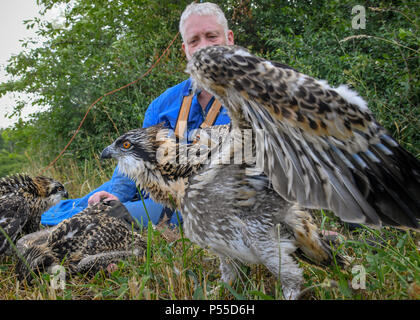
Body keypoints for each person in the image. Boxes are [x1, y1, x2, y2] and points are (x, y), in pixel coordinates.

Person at [41, 2, 234, 228]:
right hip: (149, 195)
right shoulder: (163, 105)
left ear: (229, 39)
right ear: (185, 49)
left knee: (100, 221)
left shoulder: (257, 100)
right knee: (71, 210)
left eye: (212, 37)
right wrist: (114, 195)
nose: (203, 47)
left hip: (208, 202)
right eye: (194, 41)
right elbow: (134, 162)